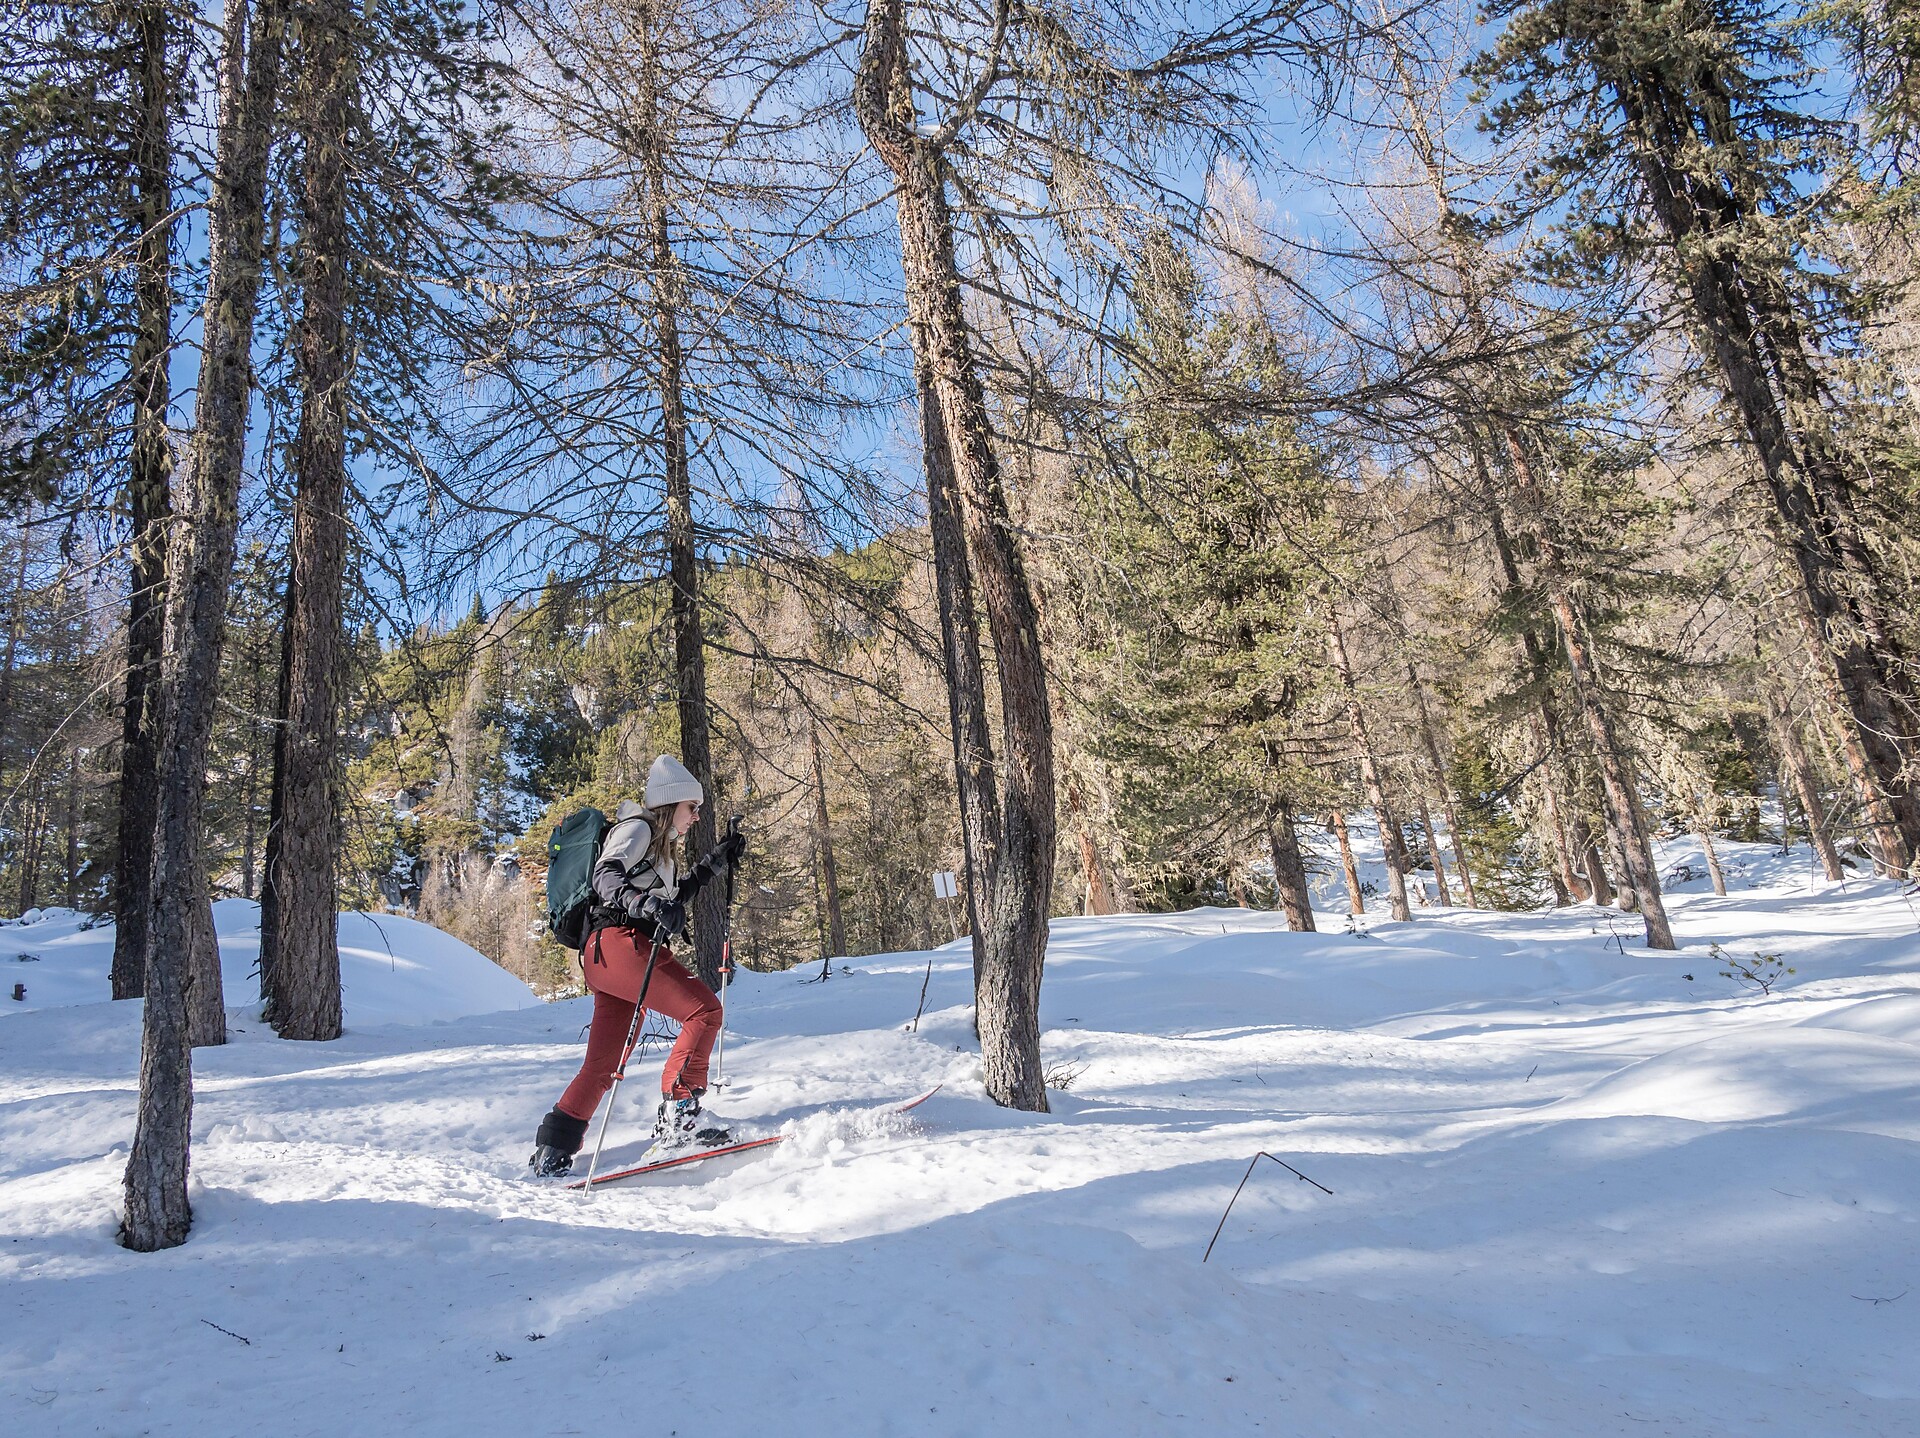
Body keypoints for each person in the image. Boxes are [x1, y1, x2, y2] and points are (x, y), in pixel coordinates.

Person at [529, 754, 746, 1178]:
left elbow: (670, 901)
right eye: (692, 808)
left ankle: (553, 1149)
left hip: (606, 956)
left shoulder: (659, 850)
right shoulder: (638, 827)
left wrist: (716, 860)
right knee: (705, 1010)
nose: (696, 816)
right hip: (619, 945)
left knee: (604, 1063)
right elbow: (605, 877)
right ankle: (680, 1120)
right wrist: (645, 903)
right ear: (671, 803)